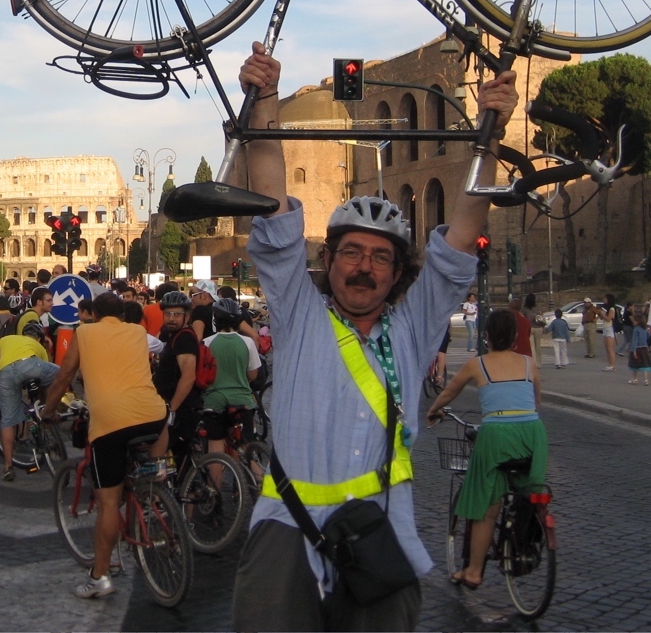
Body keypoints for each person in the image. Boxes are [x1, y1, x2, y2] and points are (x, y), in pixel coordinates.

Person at [229, 41, 518, 632]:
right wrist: (265, 104)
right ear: (329, 261)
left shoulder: (413, 331)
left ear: (398, 272)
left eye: (380, 258)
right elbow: (273, 211)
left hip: (380, 532)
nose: (363, 267)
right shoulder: (298, 315)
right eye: (351, 253)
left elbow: (461, 236)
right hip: (287, 528)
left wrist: (489, 133)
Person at [41, 291, 168, 599]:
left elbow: (64, 378)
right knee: (143, 455)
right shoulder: (138, 332)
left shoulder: (84, 332)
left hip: (110, 422)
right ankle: (156, 476)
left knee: (108, 502)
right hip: (154, 415)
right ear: (123, 316)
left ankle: (100, 577)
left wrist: (48, 411)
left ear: (94, 315)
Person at [426, 309, 547, 590]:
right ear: (516, 337)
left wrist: (434, 411)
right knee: (528, 494)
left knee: (487, 507)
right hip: (533, 433)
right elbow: (537, 401)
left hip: (496, 435)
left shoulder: (477, 364)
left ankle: (474, 572)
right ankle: (523, 539)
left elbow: (448, 392)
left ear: (487, 336)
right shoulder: (529, 364)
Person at [0, 331, 57, 480]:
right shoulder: (38, 346)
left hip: (6, 373)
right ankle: (47, 410)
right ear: (37, 339)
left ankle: (8, 466)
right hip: (31, 365)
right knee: (62, 374)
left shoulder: (6, 338)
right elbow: (45, 377)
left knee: (8, 420)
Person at [201, 298, 261, 454]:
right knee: (246, 448)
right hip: (242, 400)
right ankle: (255, 475)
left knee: (215, 448)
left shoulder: (206, 343)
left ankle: (216, 477)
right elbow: (253, 375)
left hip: (215, 400)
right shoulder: (247, 342)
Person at [153, 290, 203, 466]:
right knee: (180, 455)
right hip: (172, 405)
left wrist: (172, 410)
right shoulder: (174, 336)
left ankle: (190, 492)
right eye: (167, 314)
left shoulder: (185, 339)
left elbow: (188, 377)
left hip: (181, 408)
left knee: (165, 453)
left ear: (187, 316)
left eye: (176, 314)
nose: (171, 318)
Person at [627, 311, 651, 384]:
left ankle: (635, 379)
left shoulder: (636, 329)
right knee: (645, 364)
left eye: (634, 320)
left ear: (638, 321)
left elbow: (634, 340)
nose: (633, 321)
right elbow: (648, 338)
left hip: (637, 348)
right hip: (644, 348)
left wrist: (633, 350)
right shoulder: (645, 329)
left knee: (635, 365)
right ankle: (646, 379)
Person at [598, 295, 617, 371]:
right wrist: (600, 313)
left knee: (610, 348)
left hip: (609, 328)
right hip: (605, 328)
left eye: (605, 298)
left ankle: (612, 365)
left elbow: (609, 319)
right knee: (606, 348)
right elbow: (601, 318)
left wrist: (602, 314)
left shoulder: (612, 309)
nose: (604, 299)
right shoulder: (605, 308)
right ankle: (609, 364)